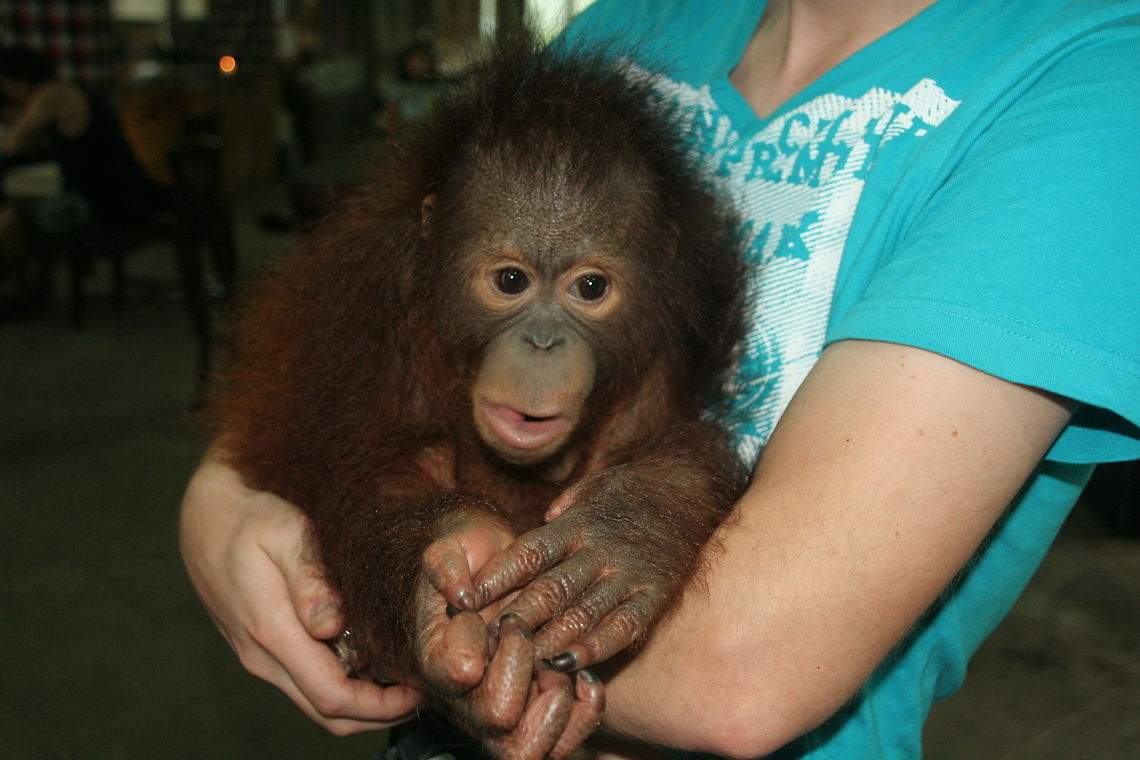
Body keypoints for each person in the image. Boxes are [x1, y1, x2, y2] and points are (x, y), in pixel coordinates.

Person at [178, 0, 1140, 757]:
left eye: (590, 291)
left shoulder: (1088, 83)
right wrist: (225, 491)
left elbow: (741, 675)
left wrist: (377, 590)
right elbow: (351, 350)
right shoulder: (620, 33)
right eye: (507, 283)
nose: (542, 343)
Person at [0, 47, 163, 312]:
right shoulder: (65, 92)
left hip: (105, 204)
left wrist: (14, 120)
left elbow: (12, 145)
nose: (11, 96)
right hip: (119, 196)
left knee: (7, 221)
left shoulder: (51, 95)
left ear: (20, 81)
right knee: (26, 206)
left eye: (8, 87)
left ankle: (20, 286)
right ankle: (35, 282)